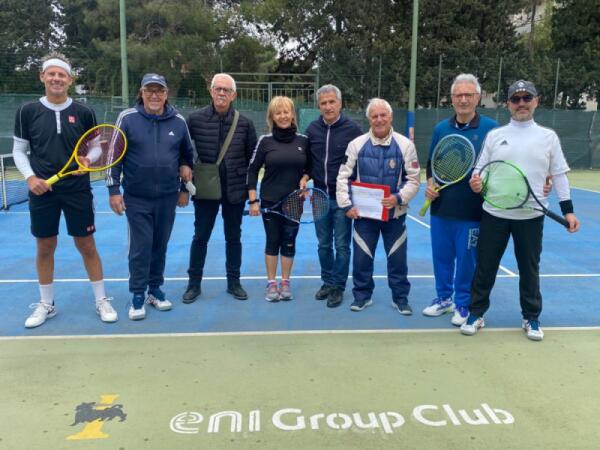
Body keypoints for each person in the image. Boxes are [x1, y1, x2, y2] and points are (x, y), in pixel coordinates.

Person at [461, 80, 580, 341]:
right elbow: (480, 170)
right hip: (494, 214)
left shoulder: (548, 137)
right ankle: (476, 313)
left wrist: (568, 211)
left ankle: (531, 317)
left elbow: (559, 175)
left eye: (527, 98)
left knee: (529, 269)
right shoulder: (495, 136)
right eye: (516, 99)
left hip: (531, 217)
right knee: (485, 268)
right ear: (508, 104)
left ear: (536, 102)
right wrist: (476, 181)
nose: (522, 103)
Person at [12, 53, 117, 327]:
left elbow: (96, 148)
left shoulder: (84, 112)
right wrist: (30, 178)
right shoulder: (27, 111)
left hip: (77, 189)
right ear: (42, 77)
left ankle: (101, 300)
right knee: (45, 246)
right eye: (52, 74)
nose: (56, 78)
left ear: (70, 80)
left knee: (86, 244)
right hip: (42, 192)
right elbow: (19, 150)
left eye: (62, 75)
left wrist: (88, 160)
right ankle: (46, 304)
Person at [107, 73, 194, 320]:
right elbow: (113, 157)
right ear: (142, 93)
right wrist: (114, 190)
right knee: (141, 247)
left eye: (159, 91)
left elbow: (187, 156)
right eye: (149, 90)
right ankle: (137, 294)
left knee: (159, 245)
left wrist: (184, 189)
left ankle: (154, 290)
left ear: (166, 94)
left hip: (167, 197)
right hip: (137, 197)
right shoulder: (127, 118)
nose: (154, 95)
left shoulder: (178, 121)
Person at [421, 74, 499, 326]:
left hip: (472, 212)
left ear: (477, 97)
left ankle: (463, 304)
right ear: (452, 99)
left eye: (468, 95)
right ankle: (444, 299)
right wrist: (430, 184)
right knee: (441, 258)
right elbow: (432, 165)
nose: (463, 99)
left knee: (467, 262)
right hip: (440, 209)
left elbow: (498, 167)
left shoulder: (491, 129)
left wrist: (484, 184)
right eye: (458, 95)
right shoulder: (440, 129)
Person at [336, 98, 420, 314]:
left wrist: (398, 198)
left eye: (383, 115)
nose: (379, 119)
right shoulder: (356, 145)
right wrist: (346, 205)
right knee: (362, 258)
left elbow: (413, 179)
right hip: (364, 217)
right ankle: (362, 296)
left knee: (398, 259)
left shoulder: (405, 145)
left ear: (390, 117)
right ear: (369, 119)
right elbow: (343, 177)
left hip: (395, 215)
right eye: (374, 116)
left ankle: (400, 298)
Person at [181, 74, 257, 303]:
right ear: (211, 91)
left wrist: (251, 193)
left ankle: (234, 283)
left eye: (226, 90)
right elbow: (183, 153)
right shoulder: (194, 119)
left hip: (235, 191)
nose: (222, 93)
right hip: (205, 190)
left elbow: (252, 160)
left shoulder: (245, 123)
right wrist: (184, 185)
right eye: (218, 89)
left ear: (234, 95)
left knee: (233, 238)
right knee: (200, 237)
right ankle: (194, 284)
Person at [247, 96, 310, 302]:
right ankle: (271, 283)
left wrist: (305, 179)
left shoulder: (304, 141)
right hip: (270, 202)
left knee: (289, 243)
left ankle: (285, 282)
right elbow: (252, 170)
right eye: (278, 113)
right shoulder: (265, 141)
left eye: (286, 112)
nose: (283, 116)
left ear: (292, 114)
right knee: (272, 241)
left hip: (294, 202)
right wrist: (253, 201)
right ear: (272, 117)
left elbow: (310, 168)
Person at [305, 85, 362, 308]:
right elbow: (308, 162)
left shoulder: (353, 130)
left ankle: (338, 286)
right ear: (318, 106)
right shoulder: (312, 130)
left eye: (332, 102)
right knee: (323, 244)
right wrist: (305, 176)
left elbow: (360, 163)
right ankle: (327, 282)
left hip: (343, 199)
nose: (328, 106)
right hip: (319, 196)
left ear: (340, 103)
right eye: (323, 103)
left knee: (342, 245)